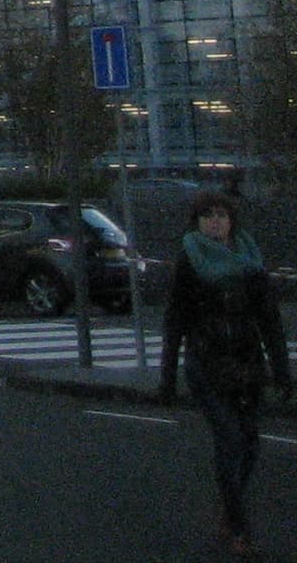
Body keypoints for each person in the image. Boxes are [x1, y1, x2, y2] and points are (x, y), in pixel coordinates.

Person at [160, 188, 291, 555]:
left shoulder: (251, 261)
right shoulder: (190, 260)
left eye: (220, 215)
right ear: (197, 222)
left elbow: (269, 321)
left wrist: (281, 370)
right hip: (207, 363)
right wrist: (167, 376)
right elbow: (175, 320)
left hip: (246, 363)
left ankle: (228, 505)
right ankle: (239, 527)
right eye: (207, 216)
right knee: (229, 438)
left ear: (232, 221)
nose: (214, 222)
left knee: (250, 444)